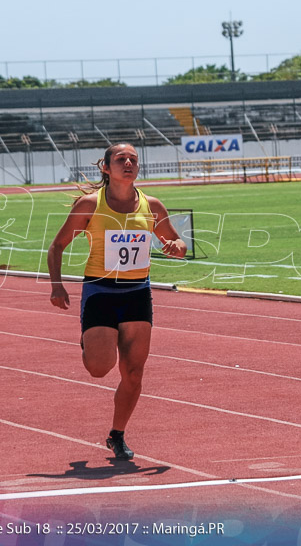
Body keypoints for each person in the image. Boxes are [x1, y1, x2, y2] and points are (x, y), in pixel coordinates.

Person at [48, 143, 187, 461]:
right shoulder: (89, 205)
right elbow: (57, 246)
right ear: (106, 168)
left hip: (138, 292)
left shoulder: (151, 206)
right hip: (101, 291)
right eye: (121, 159)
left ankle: (117, 435)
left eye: (133, 160)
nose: (128, 163)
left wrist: (176, 246)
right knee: (99, 368)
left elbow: (176, 240)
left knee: (134, 372)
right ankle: (90, 339)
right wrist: (57, 286)